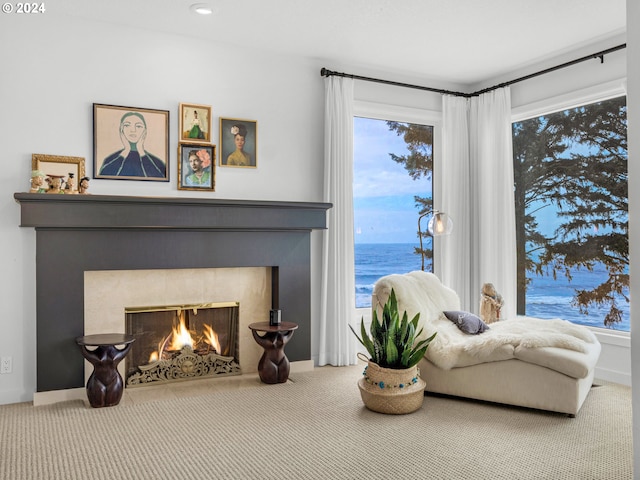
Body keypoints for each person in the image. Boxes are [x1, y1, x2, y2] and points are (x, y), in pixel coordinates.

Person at [99, 112, 166, 178]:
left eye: (138, 126)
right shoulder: (111, 159)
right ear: (121, 129)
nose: (133, 130)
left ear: (145, 131)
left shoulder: (156, 162)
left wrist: (141, 150)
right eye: (127, 125)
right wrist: (126, 150)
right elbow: (104, 176)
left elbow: (158, 178)